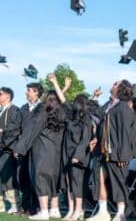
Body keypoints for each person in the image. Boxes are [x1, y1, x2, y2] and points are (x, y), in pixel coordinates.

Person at [88, 80, 136, 221]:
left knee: (118, 183)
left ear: (121, 89)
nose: (112, 84)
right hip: (103, 152)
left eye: (116, 83)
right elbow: (100, 123)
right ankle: (103, 212)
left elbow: (125, 133)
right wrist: (96, 139)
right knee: (99, 180)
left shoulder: (123, 107)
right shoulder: (110, 106)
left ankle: (120, 213)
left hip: (117, 153)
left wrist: (123, 156)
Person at [12, 88, 67, 220]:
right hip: (57, 152)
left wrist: (19, 148)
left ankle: (44, 212)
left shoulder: (43, 110)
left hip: (42, 150)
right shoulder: (62, 112)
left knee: (40, 178)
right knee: (53, 180)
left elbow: (32, 129)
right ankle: (54, 210)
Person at [48, 74, 94, 221]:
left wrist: (78, 155)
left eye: (76, 102)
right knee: (68, 183)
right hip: (67, 154)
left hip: (78, 156)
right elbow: (62, 99)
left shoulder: (86, 118)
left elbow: (86, 138)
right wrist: (55, 82)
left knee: (77, 183)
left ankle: (79, 210)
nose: (73, 103)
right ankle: (71, 209)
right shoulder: (71, 115)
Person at [17, 82, 43, 216]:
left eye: (29, 90)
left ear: (36, 92)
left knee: (35, 178)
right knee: (24, 177)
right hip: (23, 149)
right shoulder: (23, 108)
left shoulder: (42, 108)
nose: (26, 92)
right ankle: (25, 207)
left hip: (37, 149)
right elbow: (19, 128)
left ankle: (36, 208)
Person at [0, 87, 22, 214]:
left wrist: (2, 138)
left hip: (7, 149)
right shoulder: (1, 110)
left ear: (7, 97)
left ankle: (14, 204)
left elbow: (14, 130)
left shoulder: (14, 111)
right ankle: (1, 205)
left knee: (8, 178)